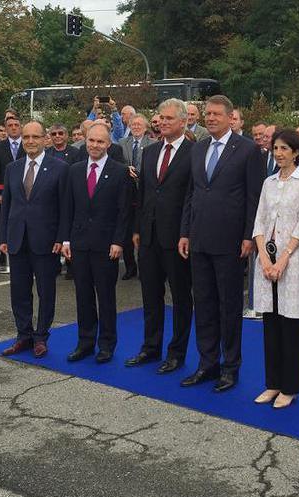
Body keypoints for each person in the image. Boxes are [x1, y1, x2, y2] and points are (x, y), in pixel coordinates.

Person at [178, 94, 263, 392]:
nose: (210, 118)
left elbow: (254, 198)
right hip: (199, 239)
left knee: (229, 306)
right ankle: (207, 363)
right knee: (203, 304)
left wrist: (248, 236)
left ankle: (230, 366)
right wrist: (185, 231)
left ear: (230, 117)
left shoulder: (248, 150)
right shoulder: (198, 148)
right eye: (207, 114)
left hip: (230, 242)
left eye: (216, 114)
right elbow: (192, 192)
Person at [126, 99, 195, 375]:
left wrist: (186, 233)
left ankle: (177, 352)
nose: (162, 123)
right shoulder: (151, 151)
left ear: (183, 121)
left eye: (168, 119)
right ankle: (150, 347)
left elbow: (192, 196)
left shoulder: (194, 152)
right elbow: (143, 194)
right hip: (149, 236)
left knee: (180, 297)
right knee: (150, 295)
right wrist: (137, 229)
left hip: (177, 238)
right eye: (160, 118)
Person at [252, 129, 299, 408]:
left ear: (296, 152)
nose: (278, 153)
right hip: (266, 261)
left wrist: (283, 258)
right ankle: (272, 383)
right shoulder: (268, 182)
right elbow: (260, 221)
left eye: (284, 149)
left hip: (293, 260)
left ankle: (289, 387)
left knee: (290, 326)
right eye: (275, 148)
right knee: (270, 324)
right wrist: (265, 259)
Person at [0, 121, 70, 358]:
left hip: (46, 241)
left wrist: (62, 238)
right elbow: (7, 205)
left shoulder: (59, 168)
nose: (30, 141)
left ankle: (41, 337)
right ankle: (24, 335)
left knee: (46, 291)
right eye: (26, 136)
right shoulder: (13, 168)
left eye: (35, 137)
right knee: (19, 291)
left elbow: (65, 208)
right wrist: (3, 237)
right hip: (17, 239)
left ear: (44, 139)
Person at [62, 124, 131, 364]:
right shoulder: (75, 170)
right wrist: (66, 239)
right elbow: (68, 208)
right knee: (83, 296)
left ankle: (107, 344)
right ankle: (85, 342)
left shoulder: (120, 171)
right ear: (85, 141)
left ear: (108, 145)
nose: (94, 145)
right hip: (79, 243)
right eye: (91, 141)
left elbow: (124, 211)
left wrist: (118, 241)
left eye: (100, 142)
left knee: (106, 297)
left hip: (106, 246)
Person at [120, 114, 155, 280]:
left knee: (142, 232)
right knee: (127, 233)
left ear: (146, 127)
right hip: (127, 193)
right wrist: (126, 168)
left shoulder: (153, 144)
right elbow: (117, 163)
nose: (136, 127)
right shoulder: (121, 143)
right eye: (133, 125)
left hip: (145, 192)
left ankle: (144, 268)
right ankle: (130, 267)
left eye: (139, 125)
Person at [0, 115, 26, 262]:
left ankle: (22, 250)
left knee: (22, 221)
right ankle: (4, 254)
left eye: (16, 125)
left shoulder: (27, 144)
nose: (13, 127)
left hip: (25, 193)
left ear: (21, 127)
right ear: (5, 128)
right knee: (4, 221)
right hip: (5, 193)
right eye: (10, 125)